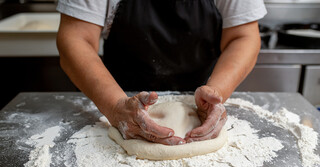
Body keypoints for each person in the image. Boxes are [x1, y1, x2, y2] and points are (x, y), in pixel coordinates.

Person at [56, 0, 267, 145]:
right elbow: (76, 38)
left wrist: (216, 92)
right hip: (118, 93)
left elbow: (243, 36)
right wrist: (114, 106)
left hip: (199, 96)